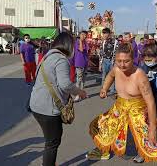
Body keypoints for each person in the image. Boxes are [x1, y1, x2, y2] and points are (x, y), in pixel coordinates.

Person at [86, 43, 157, 165]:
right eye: (119, 61)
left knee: (155, 143)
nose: (122, 64)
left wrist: (152, 128)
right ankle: (104, 150)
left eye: (126, 61)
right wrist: (104, 88)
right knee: (104, 129)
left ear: (133, 59)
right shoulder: (116, 69)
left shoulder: (140, 75)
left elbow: (151, 103)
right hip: (120, 107)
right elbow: (110, 76)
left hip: (138, 111)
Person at [29, 32, 87, 166]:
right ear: (68, 45)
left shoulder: (47, 56)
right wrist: (80, 92)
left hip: (36, 105)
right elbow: (65, 84)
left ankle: (50, 162)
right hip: (47, 108)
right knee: (52, 142)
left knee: (50, 139)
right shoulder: (61, 59)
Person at [99, 28, 118, 96]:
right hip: (104, 60)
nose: (104, 35)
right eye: (103, 33)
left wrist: (115, 62)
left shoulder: (115, 41)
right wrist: (100, 64)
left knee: (113, 76)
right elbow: (101, 53)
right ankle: (104, 90)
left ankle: (112, 91)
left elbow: (116, 52)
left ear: (109, 34)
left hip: (112, 61)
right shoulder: (103, 42)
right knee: (104, 76)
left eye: (105, 33)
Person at [73, 31, 89, 102]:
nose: (84, 36)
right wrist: (80, 41)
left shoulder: (86, 43)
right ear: (79, 35)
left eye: (85, 35)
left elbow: (87, 51)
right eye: (82, 35)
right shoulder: (77, 42)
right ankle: (77, 95)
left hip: (85, 63)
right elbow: (81, 49)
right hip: (79, 63)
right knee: (79, 80)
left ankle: (82, 94)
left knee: (83, 80)